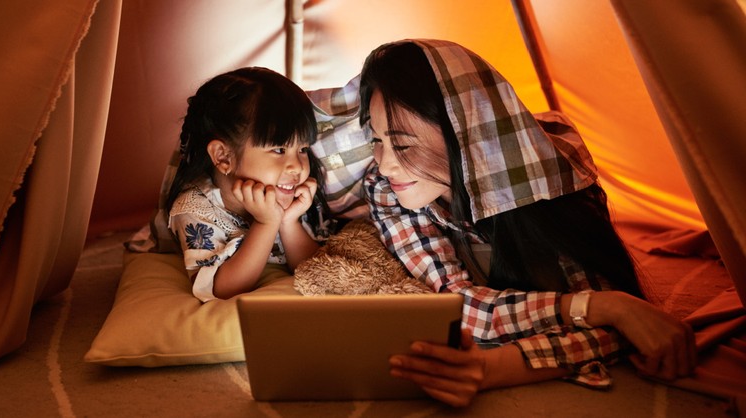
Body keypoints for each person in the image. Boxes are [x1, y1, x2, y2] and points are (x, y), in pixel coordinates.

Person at [358, 39, 696, 406]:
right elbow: (457, 304)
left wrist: (491, 367)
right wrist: (607, 307)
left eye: (404, 146)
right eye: (376, 141)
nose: (385, 163)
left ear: (464, 136)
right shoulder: (385, 188)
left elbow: (628, 327)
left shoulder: (548, 182)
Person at [166, 67, 328, 302]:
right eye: (279, 150)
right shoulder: (195, 208)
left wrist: (288, 221)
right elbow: (222, 289)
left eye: (302, 149)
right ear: (223, 156)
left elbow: (318, 271)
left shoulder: (292, 192)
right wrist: (266, 223)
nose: (297, 166)